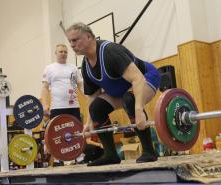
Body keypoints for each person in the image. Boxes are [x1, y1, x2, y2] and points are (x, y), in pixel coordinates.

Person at [66, 22, 161, 166]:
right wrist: (89, 122)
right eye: (70, 41)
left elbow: (137, 78)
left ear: (89, 36)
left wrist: (139, 110)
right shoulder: (86, 66)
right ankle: (110, 154)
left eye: (75, 40)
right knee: (96, 108)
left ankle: (149, 151)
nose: (72, 45)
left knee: (130, 100)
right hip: (121, 90)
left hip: (146, 77)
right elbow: (92, 96)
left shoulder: (109, 52)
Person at [41, 44, 83, 166]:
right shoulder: (50, 68)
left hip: (73, 105)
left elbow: (78, 85)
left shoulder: (73, 68)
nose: (63, 53)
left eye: (65, 51)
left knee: (77, 131)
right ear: (56, 53)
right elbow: (44, 88)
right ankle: (59, 159)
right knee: (57, 134)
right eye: (61, 51)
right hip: (57, 107)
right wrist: (45, 105)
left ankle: (79, 157)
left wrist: (88, 97)